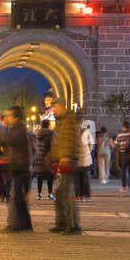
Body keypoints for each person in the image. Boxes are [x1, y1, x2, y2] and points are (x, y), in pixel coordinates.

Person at [49, 100, 81, 234]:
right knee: (61, 193)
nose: (53, 110)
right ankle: (62, 223)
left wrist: (66, 156)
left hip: (66, 161)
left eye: (55, 107)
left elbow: (68, 139)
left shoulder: (68, 120)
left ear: (61, 106)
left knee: (66, 193)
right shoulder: (61, 120)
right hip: (61, 161)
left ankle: (70, 225)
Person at [1, 106, 33, 232]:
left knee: (15, 197)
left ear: (16, 117)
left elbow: (8, 139)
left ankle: (14, 225)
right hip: (20, 167)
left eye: (9, 115)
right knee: (19, 198)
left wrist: (3, 126)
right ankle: (26, 224)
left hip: (20, 167)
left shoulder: (19, 129)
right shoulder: (18, 128)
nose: (7, 117)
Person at [33, 118, 54, 199]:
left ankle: (39, 194)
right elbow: (52, 145)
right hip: (48, 157)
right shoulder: (51, 133)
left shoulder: (38, 134)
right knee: (50, 176)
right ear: (48, 125)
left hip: (39, 157)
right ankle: (50, 193)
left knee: (40, 176)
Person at [77, 117, 93, 201]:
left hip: (83, 157)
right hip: (81, 157)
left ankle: (84, 195)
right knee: (81, 177)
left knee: (83, 177)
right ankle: (82, 195)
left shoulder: (86, 132)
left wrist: (87, 152)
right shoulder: (84, 131)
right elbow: (91, 144)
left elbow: (91, 144)